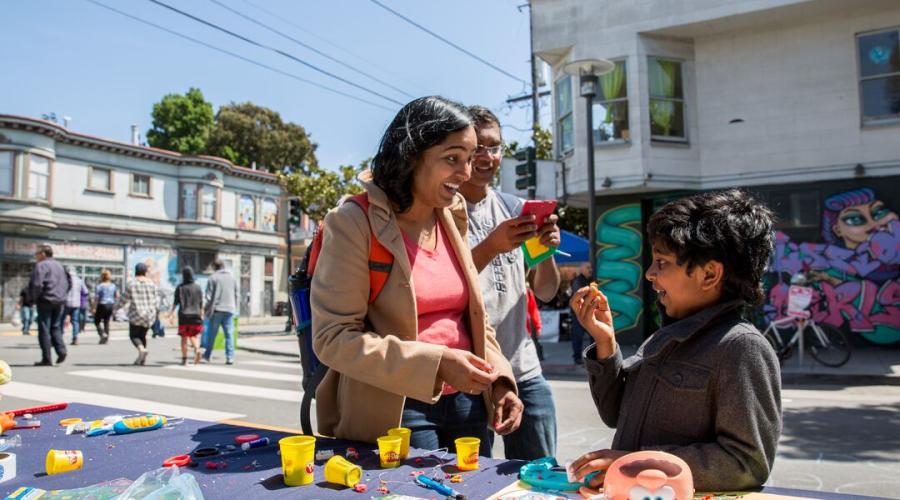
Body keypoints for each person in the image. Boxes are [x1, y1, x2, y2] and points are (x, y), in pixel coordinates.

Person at [311, 96, 523, 451]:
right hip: (396, 409)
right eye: (453, 158)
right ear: (411, 155)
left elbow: (472, 316)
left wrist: (500, 378)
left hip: (469, 404)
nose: (467, 173)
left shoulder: (451, 215)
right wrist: (436, 364)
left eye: (469, 160)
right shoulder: (353, 222)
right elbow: (333, 338)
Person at [568, 189, 782, 493]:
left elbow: (746, 463)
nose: (650, 273)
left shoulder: (740, 347)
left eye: (662, 262)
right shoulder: (668, 334)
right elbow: (614, 413)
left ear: (709, 274)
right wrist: (605, 343)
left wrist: (636, 464)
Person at [457, 106, 561, 460]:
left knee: (541, 479)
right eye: (479, 148)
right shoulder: (442, 210)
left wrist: (544, 250)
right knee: (469, 483)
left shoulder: (515, 208)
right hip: (467, 374)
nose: (488, 157)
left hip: (524, 368)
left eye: (496, 147)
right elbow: (442, 284)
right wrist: (491, 246)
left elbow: (546, 290)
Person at [28, 244, 70, 366]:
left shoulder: (41, 266)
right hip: (60, 300)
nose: (36, 256)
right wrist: (63, 295)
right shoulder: (60, 265)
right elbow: (68, 282)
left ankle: (47, 358)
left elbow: (37, 284)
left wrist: (33, 299)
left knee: (44, 329)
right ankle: (61, 350)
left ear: (43, 254)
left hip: (45, 300)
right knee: (56, 326)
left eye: (37, 254)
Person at [118, 263, 158, 365]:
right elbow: (156, 300)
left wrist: (116, 308)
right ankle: (142, 359)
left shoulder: (131, 284)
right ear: (145, 272)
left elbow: (123, 299)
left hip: (135, 314)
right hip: (148, 315)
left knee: (134, 336)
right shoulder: (152, 284)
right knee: (143, 335)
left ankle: (141, 350)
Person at [203, 260, 239, 365]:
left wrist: (205, 309)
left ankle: (207, 355)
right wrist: (235, 308)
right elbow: (237, 294)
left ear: (215, 268)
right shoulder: (232, 278)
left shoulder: (213, 278)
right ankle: (230, 357)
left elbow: (208, 297)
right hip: (229, 309)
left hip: (217, 309)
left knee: (212, 334)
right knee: (229, 334)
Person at [172, 267, 204, 365]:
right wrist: (202, 314)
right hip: (196, 315)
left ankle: (184, 359)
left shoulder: (180, 287)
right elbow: (201, 303)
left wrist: (171, 314)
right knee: (194, 336)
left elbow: (176, 302)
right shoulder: (198, 287)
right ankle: (197, 349)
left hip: (184, 316)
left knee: (184, 337)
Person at [569, 262, 593, 364]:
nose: (590, 269)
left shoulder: (587, 280)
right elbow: (580, 297)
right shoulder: (579, 280)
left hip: (584, 314)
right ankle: (577, 358)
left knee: (591, 335)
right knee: (578, 336)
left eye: (591, 268)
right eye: (588, 268)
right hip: (578, 314)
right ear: (582, 269)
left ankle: (584, 357)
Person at [63, 267, 87, 345]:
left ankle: (58, 337)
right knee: (75, 321)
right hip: (76, 303)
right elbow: (86, 291)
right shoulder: (79, 281)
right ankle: (75, 338)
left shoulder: (65, 280)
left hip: (66, 302)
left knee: (61, 320)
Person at [93, 270, 118, 344]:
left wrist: (94, 307)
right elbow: (116, 296)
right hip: (110, 304)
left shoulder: (100, 286)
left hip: (102, 304)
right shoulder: (113, 286)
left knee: (97, 321)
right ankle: (106, 338)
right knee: (106, 321)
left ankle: (102, 334)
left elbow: (97, 297)